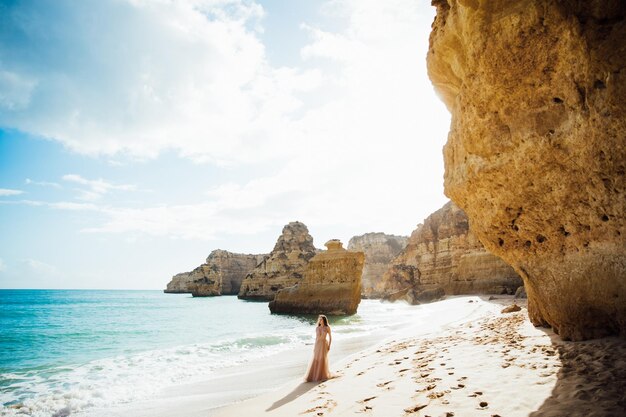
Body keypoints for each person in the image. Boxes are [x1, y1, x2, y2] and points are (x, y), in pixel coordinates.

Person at [304, 314, 332, 382]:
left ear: (324, 320)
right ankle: (313, 375)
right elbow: (316, 338)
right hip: (317, 344)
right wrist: (314, 347)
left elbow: (330, 337)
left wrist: (329, 346)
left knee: (322, 359)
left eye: (321, 319)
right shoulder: (317, 328)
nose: (320, 320)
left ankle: (322, 375)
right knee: (316, 358)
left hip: (324, 344)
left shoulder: (327, 327)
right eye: (319, 319)